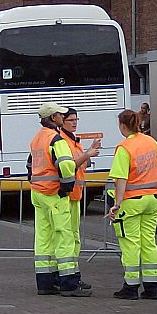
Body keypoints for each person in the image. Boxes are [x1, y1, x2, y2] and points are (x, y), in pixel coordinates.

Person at [106, 109, 157, 300]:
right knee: (149, 243)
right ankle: (152, 287)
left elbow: (121, 179)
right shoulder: (150, 141)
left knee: (131, 244)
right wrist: (156, 188)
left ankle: (131, 286)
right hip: (151, 200)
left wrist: (117, 203)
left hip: (131, 202)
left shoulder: (124, 148)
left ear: (123, 126)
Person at [28, 102, 81, 296]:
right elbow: (66, 166)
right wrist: (67, 188)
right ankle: (69, 283)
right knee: (64, 235)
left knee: (43, 237)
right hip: (54, 193)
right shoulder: (56, 140)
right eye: (60, 115)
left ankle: (45, 282)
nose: (63, 117)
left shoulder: (37, 138)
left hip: (39, 193)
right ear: (53, 118)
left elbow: (29, 165)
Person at [60, 108, 101, 291]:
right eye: (71, 120)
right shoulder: (63, 140)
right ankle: (69, 278)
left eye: (76, 119)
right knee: (68, 237)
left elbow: (80, 164)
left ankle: (73, 275)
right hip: (67, 194)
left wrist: (88, 154)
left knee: (74, 238)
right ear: (63, 121)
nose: (75, 123)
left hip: (76, 193)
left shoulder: (73, 139)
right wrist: (87, 155)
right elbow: (69, 166)